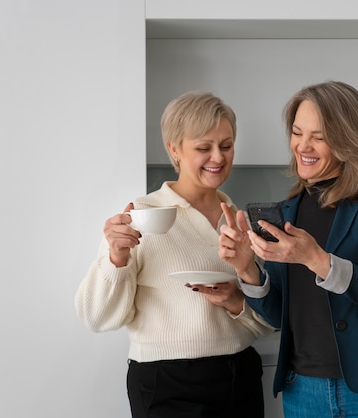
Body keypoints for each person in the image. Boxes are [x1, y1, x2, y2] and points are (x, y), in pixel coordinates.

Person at [218, 81, 358, 417]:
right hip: (304, 391)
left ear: (348, 140)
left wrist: (318, 260)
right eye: (297, 132)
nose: (303, 146)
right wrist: (247, 270)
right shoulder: (287, 210)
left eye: (318, 136)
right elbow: (278, 316)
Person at [75, 91, 274, 418]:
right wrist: (116, 258)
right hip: (168, 382)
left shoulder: (239, 219)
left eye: (226, 145)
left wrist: (236, 300)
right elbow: (97, 317)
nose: (218, 157)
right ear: (174, 149)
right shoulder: (141, 215)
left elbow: (267, 322)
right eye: (203, 147)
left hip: (240, 374)